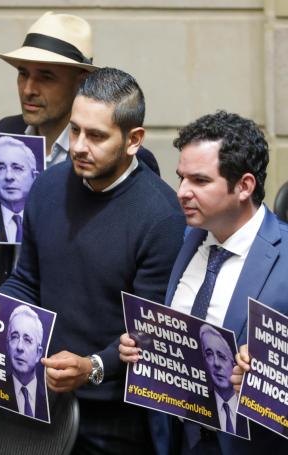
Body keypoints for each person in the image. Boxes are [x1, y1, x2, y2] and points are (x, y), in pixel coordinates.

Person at [0, 67, 186, 454]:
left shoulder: (161, 218)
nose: (79, 146)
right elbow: (26, 280)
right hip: (35, 395)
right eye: (75, 130)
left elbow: (148, 337)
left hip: (113, 416)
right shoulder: (46, 185)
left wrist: (91, 366)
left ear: (134, 140)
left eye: (96, 136)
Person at [119, 110, 288, 454]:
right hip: (177, 439)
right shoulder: (186, 240)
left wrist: (275, 379)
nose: (182, 192)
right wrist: (145, 347)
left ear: (244, 186)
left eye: (200, 181)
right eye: (181, 177)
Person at [0, 11, 160, 283]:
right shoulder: (6, 134)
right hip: (17, 300)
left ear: (81, 81)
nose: (28, 89)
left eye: (46, 77)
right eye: (23, 74)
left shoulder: (127, 161)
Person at [3, 305, 47, 419]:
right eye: (14, 337)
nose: (19, 347)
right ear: (8, 347)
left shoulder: (49, 398)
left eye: (27, 340)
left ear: (38, 353)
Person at [199, 324, 243, 435]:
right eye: (209, 354)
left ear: (234, 363)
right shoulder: (194, 403)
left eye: (222, 356)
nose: (216, 364)